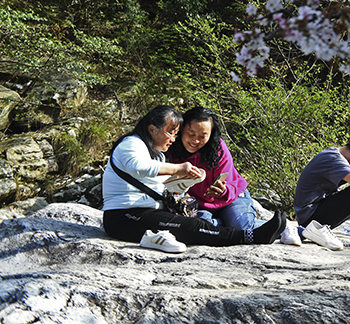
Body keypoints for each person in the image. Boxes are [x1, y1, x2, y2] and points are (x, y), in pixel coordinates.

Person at [101, 105, 287, 253]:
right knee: (194, 226)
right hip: (124, 216)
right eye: (171, 133)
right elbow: (139, 167)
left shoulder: (156, 153)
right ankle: (249, 237)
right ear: (152, 129)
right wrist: (179, 169)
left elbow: (158, 186)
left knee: (194, 225)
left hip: (146, 213)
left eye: (175, 134)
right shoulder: (132, 143)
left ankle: (260, 232)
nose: (173, 139)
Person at [166, 106, 297, 243]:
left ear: (211, 135)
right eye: (191, 134)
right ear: (181, 130)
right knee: (202, 229)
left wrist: (223, 190)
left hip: (231, 198)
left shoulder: (218, 149)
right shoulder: (171, 148)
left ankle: (290, 229)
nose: (195, 141)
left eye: (202, 136)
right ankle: (227, 226)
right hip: (199, 204)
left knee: (242, 227)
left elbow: (229, 183)